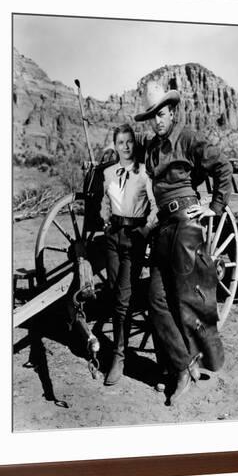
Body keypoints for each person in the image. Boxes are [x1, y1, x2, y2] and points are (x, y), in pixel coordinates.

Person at [134, 82, 233, 404]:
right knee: (156, 300)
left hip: (186, 225)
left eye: (161, 114)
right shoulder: (151, 147)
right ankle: (182, 365)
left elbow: (222, 166)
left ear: (172, 112)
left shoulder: (187, 137)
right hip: (164, 228)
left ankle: (185, 371)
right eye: (152, 117)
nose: (157, 121)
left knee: (188, 301)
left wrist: (214, 207)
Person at [100, 123, 157, 386]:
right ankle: (119, 347)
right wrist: (104, 220)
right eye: (120, 142)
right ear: (115, 145)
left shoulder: (144, 173)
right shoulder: (109, 172)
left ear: (135, 144)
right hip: (112, 237)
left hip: (133, 238)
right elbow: (105, 201)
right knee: (113, 292)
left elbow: (155, 208)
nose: (124, 146)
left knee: (122, 298)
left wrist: (145, 231)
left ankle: (118, 357)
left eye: (129, 142)